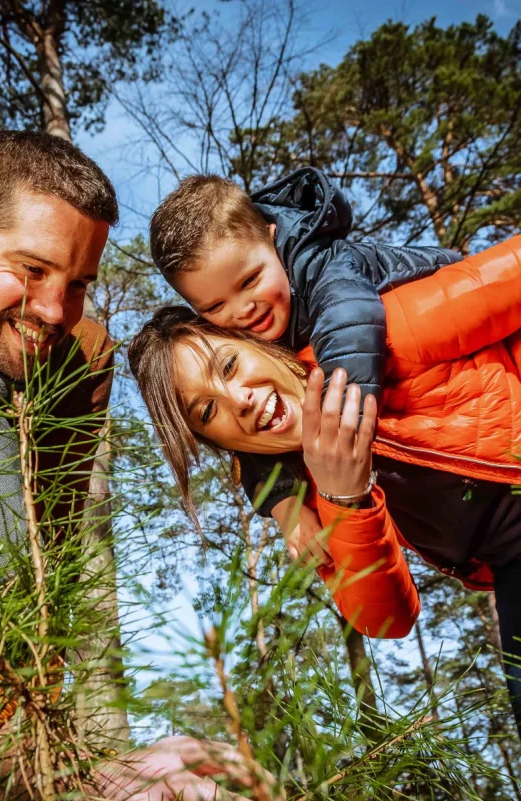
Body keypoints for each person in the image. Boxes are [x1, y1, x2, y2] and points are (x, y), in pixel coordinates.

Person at [0, 130, 275, 801]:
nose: (55, 311)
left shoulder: (79, 357)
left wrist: (54, 774)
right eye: (30, 270)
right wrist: (60, 770)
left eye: (79, 282)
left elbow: (44, 566)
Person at [127, 235, 521, 732]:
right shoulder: (309, 501)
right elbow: (387, 619)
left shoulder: (381, 331)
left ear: (256, 344)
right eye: (207, 411)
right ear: (218, 441)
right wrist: (346, 498)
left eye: (228, 366)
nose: (239, 401)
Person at [148, 168, 461, 563]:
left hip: (458, 300)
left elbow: (348, 323)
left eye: (249, 281)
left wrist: (338, 419)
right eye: (215, 306)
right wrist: (285, 507)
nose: (243, 309)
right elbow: (251, 446)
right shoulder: (248, 336)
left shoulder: (319, 262)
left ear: (272, 238)